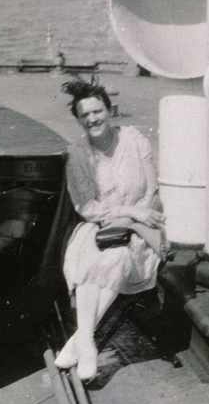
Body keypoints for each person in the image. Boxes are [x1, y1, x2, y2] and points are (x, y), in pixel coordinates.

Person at [55, 78, 166, 382]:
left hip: (142, 229)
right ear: (79, 120)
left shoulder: (135, 140)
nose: (92, 119)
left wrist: (133, 219)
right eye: (85, 115)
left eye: (97, 111)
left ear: (109, 110)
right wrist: (126, 212)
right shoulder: (77, 155)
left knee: (118, 257)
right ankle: (87, 344)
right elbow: (87, 207)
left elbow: (151, 192)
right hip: (99, 227)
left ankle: (81, 342)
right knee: (96, 259)